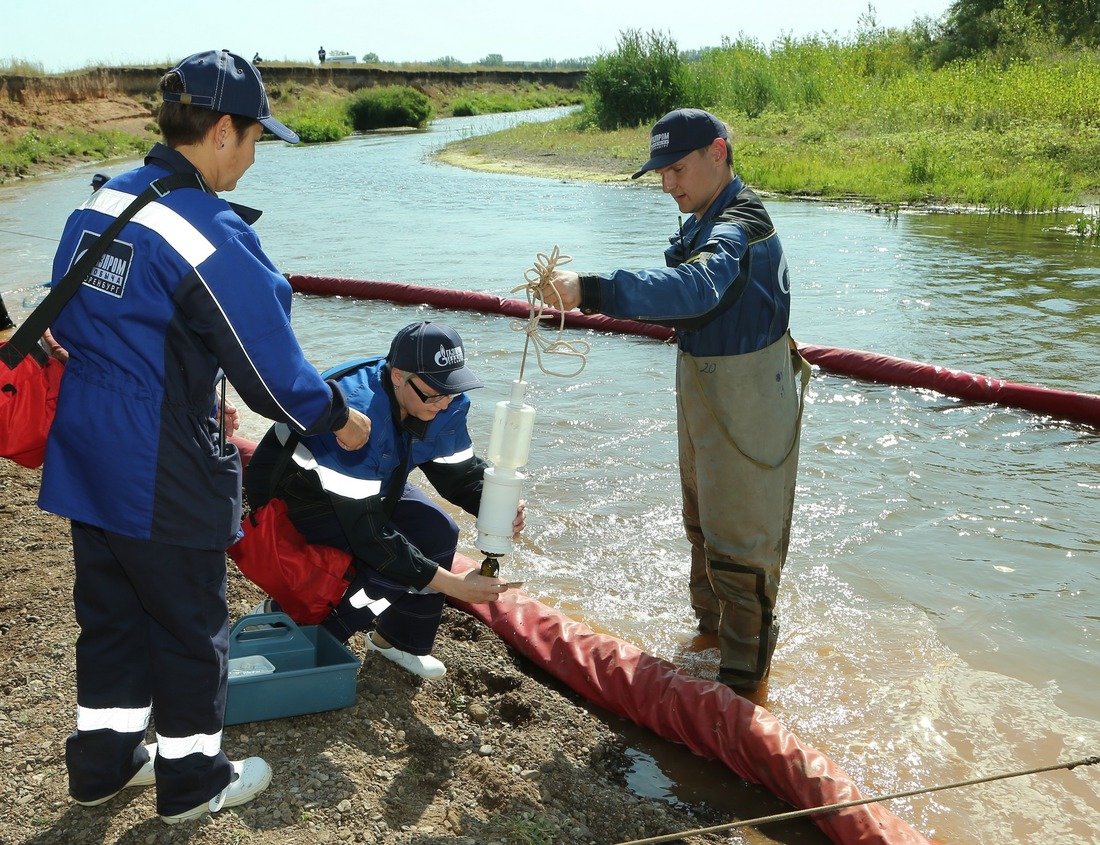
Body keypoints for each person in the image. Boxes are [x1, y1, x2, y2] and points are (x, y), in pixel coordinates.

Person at [38, 49, 372, 824]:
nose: (254, 159)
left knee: (112, 612)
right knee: (191, 622)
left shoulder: (102, 198)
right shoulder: (203, 228)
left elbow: (70, 320)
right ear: (222, 130)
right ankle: (192, 782)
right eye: (255, 140)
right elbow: (268, 366)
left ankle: (102, 763)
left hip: (87, 442)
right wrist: (335, 416)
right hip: (158, 456)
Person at [538, 108, 808, 695]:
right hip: (708, 387)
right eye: (660, 172)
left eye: (677, 169)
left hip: (748, 399)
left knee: (741, 544)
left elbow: (698, 287)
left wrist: (593, 288)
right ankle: (706, 648)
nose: (667, 184)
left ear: (719, 153)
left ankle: (741, 690)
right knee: (704, 525)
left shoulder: (738, 225)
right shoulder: (705, 216)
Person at [244, 320, 524, 680]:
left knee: (437, 530)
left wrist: (495, 505)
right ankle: (295, 626)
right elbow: (369, 536)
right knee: (380, 564)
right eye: (434, 393)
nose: (444, 403)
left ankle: (396, 642)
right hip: (295, 489)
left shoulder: (447, 403)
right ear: (397, 376)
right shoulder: (358, 416)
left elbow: (457, 473)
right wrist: (451, 584)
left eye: (452, 390)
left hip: (371, 478)